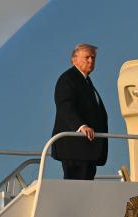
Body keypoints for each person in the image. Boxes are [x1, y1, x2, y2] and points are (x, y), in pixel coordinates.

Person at [51, 43, 108, 180]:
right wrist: (81, 126)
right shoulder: (68, 79)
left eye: (93, 58)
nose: (91, 61)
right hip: (75, 148)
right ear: (74, 59)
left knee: (86, 190)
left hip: (88, 149)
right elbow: (65, 105)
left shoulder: (86, 81)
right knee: (76, 190)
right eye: (87, 57)